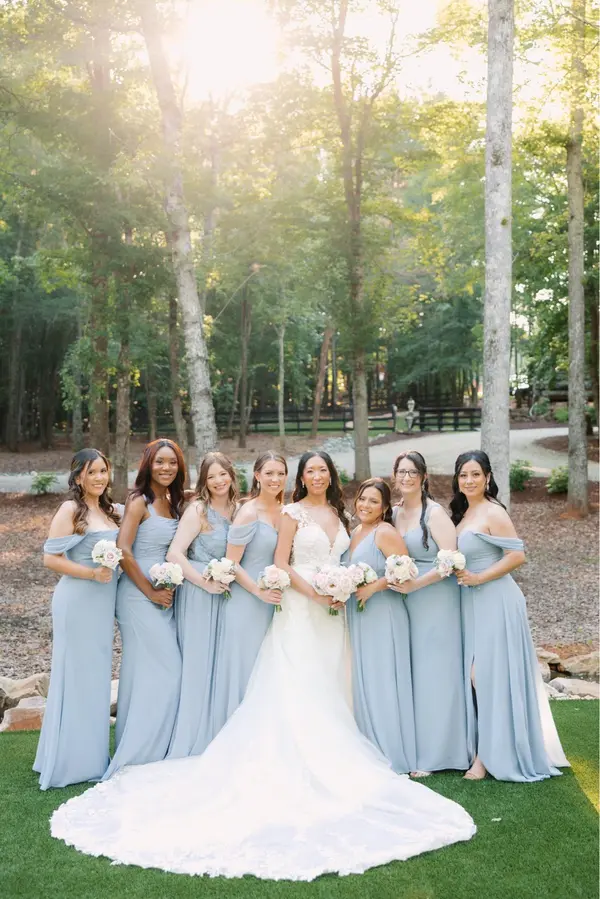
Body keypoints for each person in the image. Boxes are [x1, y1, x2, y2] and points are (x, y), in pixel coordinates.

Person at [50, 451, 475, 881]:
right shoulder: (286, 514)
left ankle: (337, 744)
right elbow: (280, 563)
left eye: (319, 470)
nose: (313, 476)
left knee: (332, 681)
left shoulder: (340, 514)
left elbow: (348, 561)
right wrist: (314, 593)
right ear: (278, 477)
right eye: (305, 470)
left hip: (335, 614)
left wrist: (344, 587)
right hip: (299, 607)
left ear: (328, 476)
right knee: (295, 680)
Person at [452, 450, 569, 781]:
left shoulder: (494, 511)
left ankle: (485, 757)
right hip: (471, 602)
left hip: (496, 599)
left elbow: (516, 556)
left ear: (487, 477)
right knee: (477, 677)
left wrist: (479, 577)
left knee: (483, 676)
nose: (469, 480)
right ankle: (483, 748)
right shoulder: (463, 513)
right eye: (463, 475)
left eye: (475, 474)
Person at [34, 449, 121, 790]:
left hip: (102, 605)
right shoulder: (70, 509)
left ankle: (91, 756)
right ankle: (69, 761)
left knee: (95, 678)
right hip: (78, 601)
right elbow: (50, 558)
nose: (99, 477)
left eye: (103, 471)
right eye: (92, 472)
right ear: (78, 476)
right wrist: (91, 573)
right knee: (75, 676)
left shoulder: (109, 510)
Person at [103, 439, 185, 779]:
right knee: (169, 669)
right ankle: (138, 750)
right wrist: (150, 591)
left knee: (146, 671)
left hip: (164, 594)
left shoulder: (175, 501)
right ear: (148, 464)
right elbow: (123, 549)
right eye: (160, 462)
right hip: (138, 596)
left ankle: (154, 745)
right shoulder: (139, 501)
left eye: (172, 462)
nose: (166, 468)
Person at [391, 451, 469, 776]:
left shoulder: (434, 514)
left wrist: (416, 585)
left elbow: (451, 561)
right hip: (406, 602)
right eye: (401, 472)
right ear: (394, 476)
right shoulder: (393, 513)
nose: (406, 477)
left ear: (423, 477)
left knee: (437, 672)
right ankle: (417, 748)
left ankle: (440, 754)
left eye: (413, 472)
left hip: (437, 599)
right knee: (416, 673)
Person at [166, 452, 238, 758]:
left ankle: (221, 732)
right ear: (203, 482)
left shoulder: (239, 509)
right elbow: (174, 553)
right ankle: (193, 735)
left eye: (223, 474)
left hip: (227, 595)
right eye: (211, 477)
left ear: (232, 475)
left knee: (221, 663)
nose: (219, 481)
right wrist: (203, 582)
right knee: (199, 661)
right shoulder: (198, 510)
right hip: (198, 593)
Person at [210, 451, 287, 735]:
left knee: (266, 670)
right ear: (257, 476)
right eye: (269, 473)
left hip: (274, 602)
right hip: (246, 601)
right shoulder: (248, 512)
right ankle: (235, 736)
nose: (275, 479)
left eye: (280, 473)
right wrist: (257, 591)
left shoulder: (286, 511)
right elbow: (230, 563)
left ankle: (264, 735)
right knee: (245, 668)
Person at [345, 477, 417, 773]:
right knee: (366, 678)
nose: (366, 505)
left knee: (384, 678)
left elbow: (406, 569)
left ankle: (392, 751)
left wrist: (373, 587)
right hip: (359, 613)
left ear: (385, 507)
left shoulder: (385, 532)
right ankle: (369, 747)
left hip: (383, 612)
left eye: (374, 501)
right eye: (362, 498)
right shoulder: (355, 532)